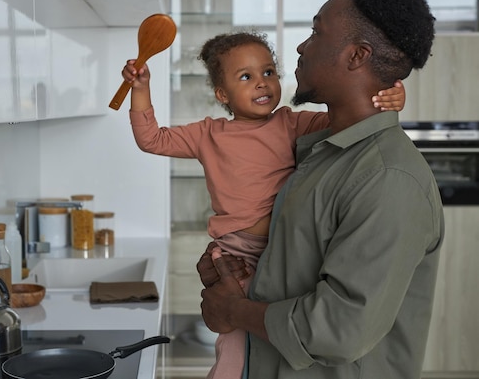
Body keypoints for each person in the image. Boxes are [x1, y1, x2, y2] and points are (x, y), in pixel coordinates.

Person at [197, 0, 444, 379]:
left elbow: (339, 330)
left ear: (356, 55)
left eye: (315, 33)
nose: (300, 46)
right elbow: (290, 267)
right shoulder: (317, 156)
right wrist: (230, 268)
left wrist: (234, 309)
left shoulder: (388, 180)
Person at [122, 26, 406, 379]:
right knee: (235, 343)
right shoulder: (207, 134)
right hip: (236, 254)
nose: (261, 82)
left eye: (268, 72)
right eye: (246, 76)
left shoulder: (292, 124)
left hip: (285, 251)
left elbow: (349, 118)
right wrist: (140, 89)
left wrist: (388, 98)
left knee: (276, 344)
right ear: (222, 94)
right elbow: (152, 139)